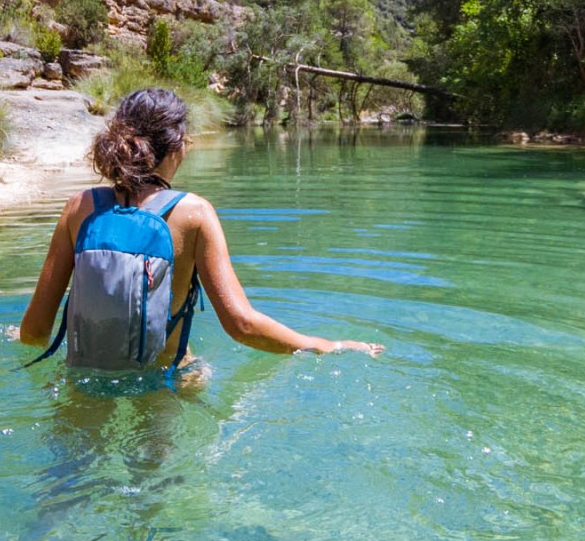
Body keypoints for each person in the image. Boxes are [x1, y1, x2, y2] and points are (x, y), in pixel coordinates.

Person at [19, 87, 383, 373]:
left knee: (74, 466)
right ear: (178, 145)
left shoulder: (79, 206)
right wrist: (325, 345)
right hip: (162, 380)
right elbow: (242, 324)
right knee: (163, 462)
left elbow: (34, 331)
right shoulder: (193, 213)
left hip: (86, 378)